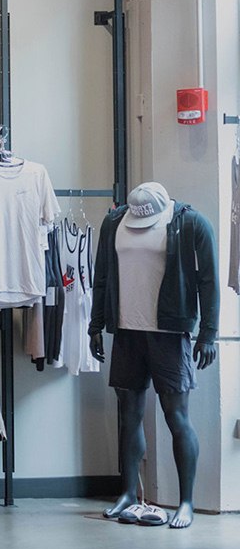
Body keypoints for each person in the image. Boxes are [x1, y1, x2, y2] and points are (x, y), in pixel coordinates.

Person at [88, 182, 217, 529]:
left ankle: (186, 501)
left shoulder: (189, 222)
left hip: (171, 334)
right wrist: (95, 325)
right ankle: (129, 492)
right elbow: (101, 276)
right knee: (129, 416)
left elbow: (209, 280)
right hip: (127, 331)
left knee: (177, 418)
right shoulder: (115, 222)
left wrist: (208, 333)